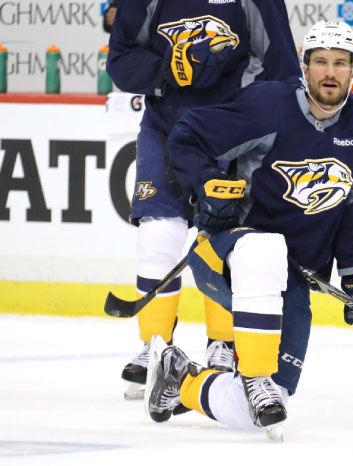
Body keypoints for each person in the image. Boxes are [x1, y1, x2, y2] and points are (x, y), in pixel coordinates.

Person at [142, 21, 353, 439]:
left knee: (263, 409)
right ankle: (254, 374)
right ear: (304, 66)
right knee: (266, 247)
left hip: (290, 280)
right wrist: (206, 184)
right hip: (224, 255)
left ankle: (179, 381)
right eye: (320, 62)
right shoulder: (268, 105)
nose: (330, 72)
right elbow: (187, 135)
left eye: (340, 63)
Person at [106, 0, 301, 400]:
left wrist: (229, 83)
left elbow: (282, 70)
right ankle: (156, 346)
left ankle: (223, 345)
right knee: (158, 233)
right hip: (166, 129)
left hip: (234, 133)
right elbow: (121, 60)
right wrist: (167, 69)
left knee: (229, 239)